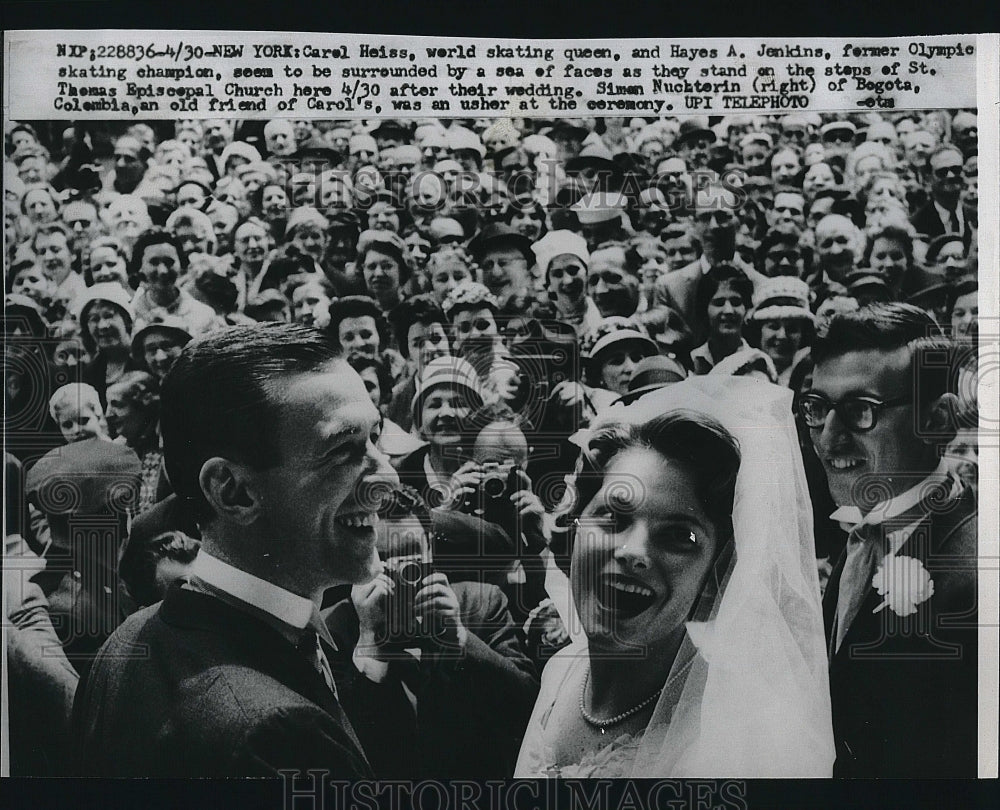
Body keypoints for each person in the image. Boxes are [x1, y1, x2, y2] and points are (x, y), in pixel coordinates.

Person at [72, 323, 402, 776]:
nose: (388, 480)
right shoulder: (278, 739)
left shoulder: (127, 643)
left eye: (375, 438)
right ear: (232, 492)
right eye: (343, 451)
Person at [516, 377, 833, 776]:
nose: (633, 552)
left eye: (678, 537)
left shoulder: (741, 743)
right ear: (575, 524)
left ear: (717, 574)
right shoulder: (563, 671)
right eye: (613, 517)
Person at [803, 303, 977, 777]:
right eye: (817, 409)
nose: (829, 438)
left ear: (938, 422)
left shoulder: (976, 583)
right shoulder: (867, 526)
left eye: (861, 410)